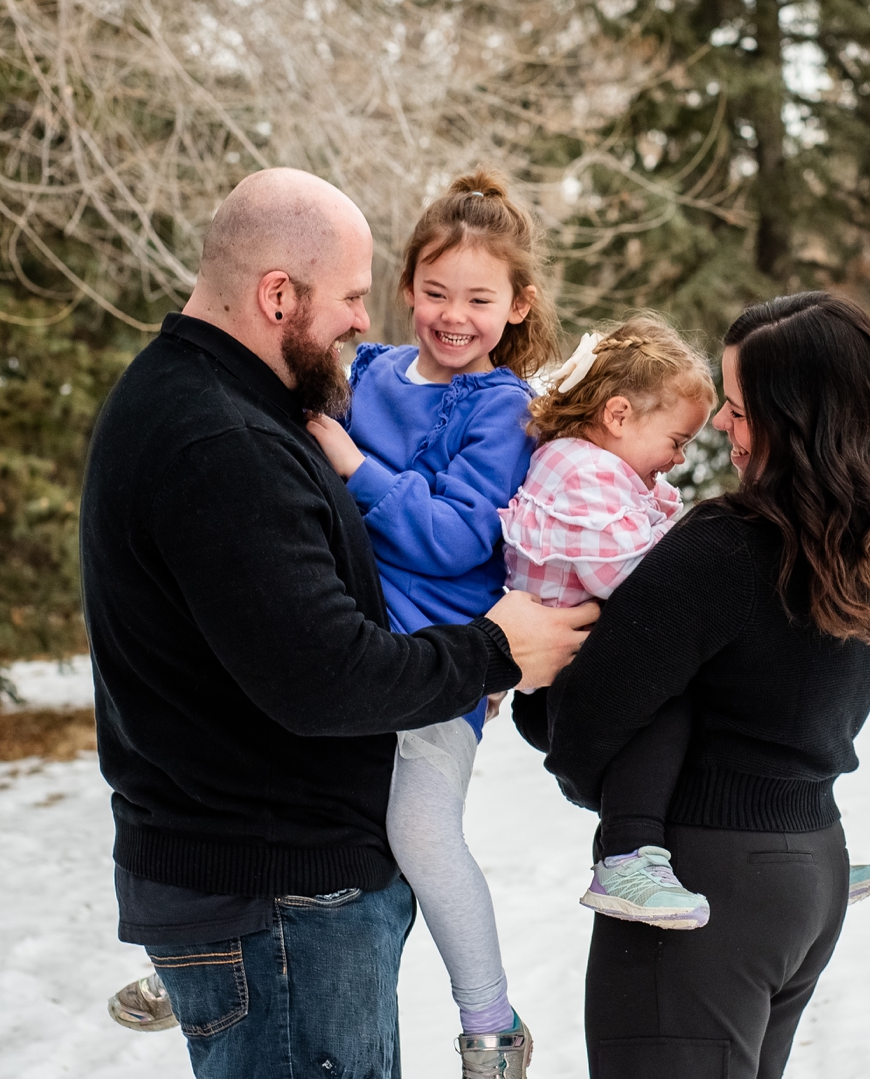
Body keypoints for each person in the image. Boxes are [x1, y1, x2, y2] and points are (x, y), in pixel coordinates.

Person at [81, 167, 597, 1080]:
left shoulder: (220, 400)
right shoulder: (223, 439)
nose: (366, 322)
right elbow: (323, 676)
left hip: (266, 894)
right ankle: (490, 1022)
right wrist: (493, 651)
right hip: (275, 904)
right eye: (354, 298)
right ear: (278, 296)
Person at [514, 291, 870, 1078]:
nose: (717, 424)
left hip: (703, 887)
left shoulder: (726, 547)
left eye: (738, 410)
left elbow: (583, 722)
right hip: (812, 873)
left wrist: (540, 698)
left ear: (793, 421)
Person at [299, 169, 558, 1077]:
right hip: (350, 639)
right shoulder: (366, 372)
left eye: (480, 299)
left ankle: (491, 1020)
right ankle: (194, 957)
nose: (454, 316)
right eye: (437, 291)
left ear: (517, 305)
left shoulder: (501, 407)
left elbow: (455, 538)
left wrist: (354, 465)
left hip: (440, 662)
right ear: (405, 286)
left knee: (421, 828)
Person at [498, 313, 718, 928]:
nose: (679, 459)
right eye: (676, 440)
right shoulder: (583, 471)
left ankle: (750, 836)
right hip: (565, 680)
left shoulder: (596, 467)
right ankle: (626, 855)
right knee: (666, 703)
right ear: (619, 416)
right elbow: (627, 577)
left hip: (579, 668)